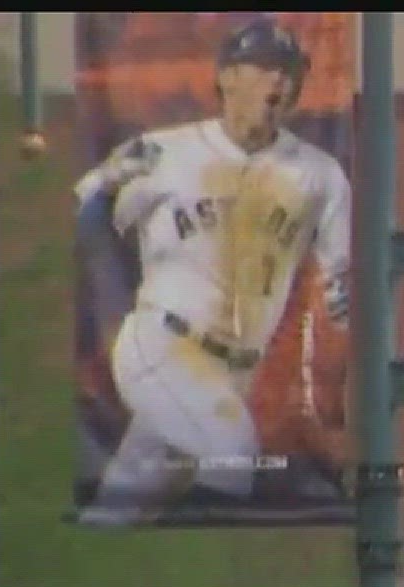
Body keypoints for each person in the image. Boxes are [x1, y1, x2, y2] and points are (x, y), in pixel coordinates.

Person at [75, 17, 350, 524]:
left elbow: (339, 277)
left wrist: (343, 303)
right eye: (264, 68)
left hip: (236, 368)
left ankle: (78, 568)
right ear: (225, 78)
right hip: (162, 345)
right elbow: (84, 207)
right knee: (232, 450)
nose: (279, 83)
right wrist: (108, 180)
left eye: (289, 71)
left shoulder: (318, 174)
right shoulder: (163, 152)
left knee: (125, 501)